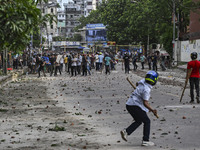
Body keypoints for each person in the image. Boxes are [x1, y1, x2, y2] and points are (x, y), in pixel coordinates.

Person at [120, 70, 159, 146]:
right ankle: (145, 140)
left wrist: (138, 89)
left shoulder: (143, 81)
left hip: (129, 104)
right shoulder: (146, 90)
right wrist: (152, 110)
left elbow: (137, 84)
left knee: (139, 121)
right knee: (147, 121)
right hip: (135, 106)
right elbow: (145, 103)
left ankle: (126, 131)